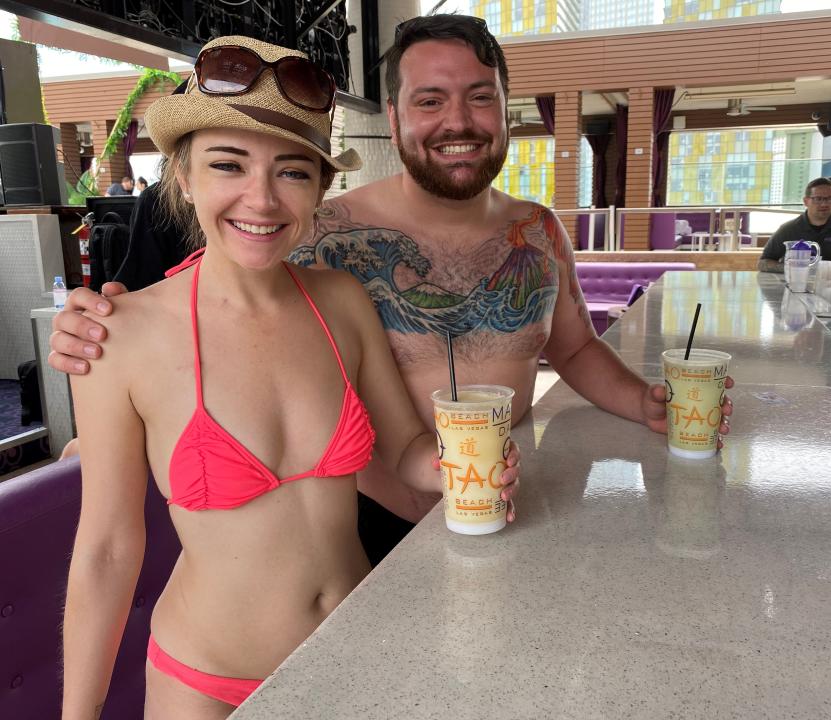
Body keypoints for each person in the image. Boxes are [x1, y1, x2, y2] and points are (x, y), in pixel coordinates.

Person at [49, 14, 731, 559]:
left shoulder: (540, 232)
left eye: (479, 97)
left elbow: (576, 350)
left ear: (503, 111)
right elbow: (208, 320)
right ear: (395, 116)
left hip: (510, 504)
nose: (457, 122)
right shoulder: (320, 229)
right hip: (360, 529)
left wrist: (641, 401)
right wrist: (98, 343)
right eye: (430, 100)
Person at [60, 35, 519, 720]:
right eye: (228, 164)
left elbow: (403, 450)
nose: (262, 199)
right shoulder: (116, 336)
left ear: (321, 188)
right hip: (205, 687)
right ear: (183, 176)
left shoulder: (340, 300)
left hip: (353, 660)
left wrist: (466, 463)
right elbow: (105, 551)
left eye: (293, 172)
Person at [758, 177, 831, 275]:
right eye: (818, 199)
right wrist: (790, 268)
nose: (824, 204)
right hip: (796, 284)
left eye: (829, 199)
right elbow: (763, 263)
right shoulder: (788, 229)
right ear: (806, 201)